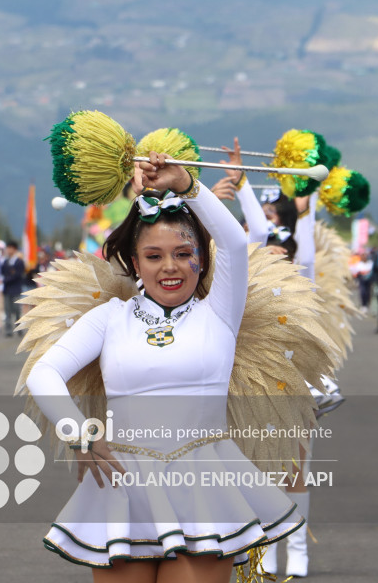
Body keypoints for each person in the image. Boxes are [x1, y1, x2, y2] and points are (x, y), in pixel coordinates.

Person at [24, 153, 303, 581]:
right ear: (135, 264)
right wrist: (79, 434)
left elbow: (231, 240)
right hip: (122, 486)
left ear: (201, 260)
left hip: (205, 486)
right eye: (153, 256)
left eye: (182, 253)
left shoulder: (220, 313)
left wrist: (188, 184)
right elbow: (45, 373)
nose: (169, 267)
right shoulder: (108, 318)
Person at [0, 240, 25, 337]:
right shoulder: (5, 262)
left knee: (17, 310)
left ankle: (19, 328)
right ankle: (8, 330)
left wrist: (7, 279)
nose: (8, 250)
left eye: (10, 248)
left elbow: (18, 275)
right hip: (7, 290)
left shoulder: (19, 262)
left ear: (14, 249)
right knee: (7, 310)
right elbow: (2, 273)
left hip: (15, 289)